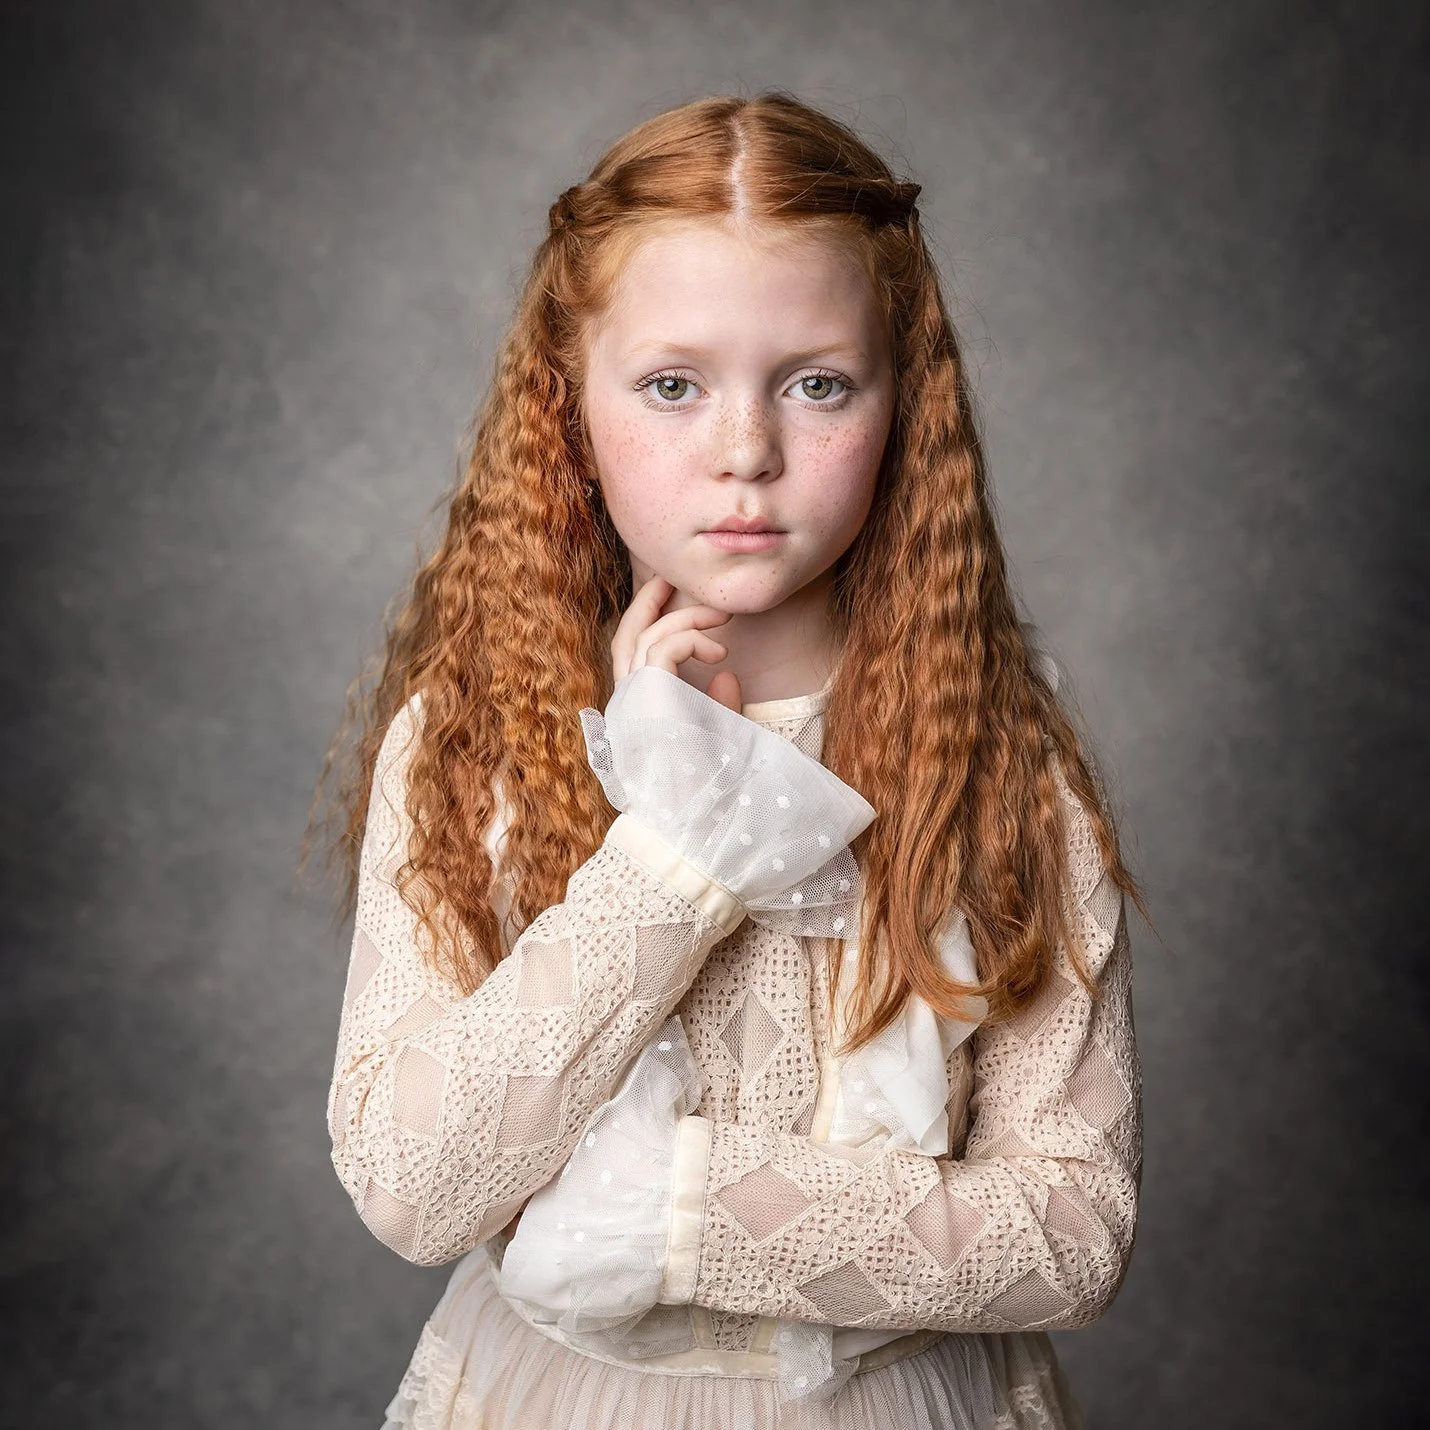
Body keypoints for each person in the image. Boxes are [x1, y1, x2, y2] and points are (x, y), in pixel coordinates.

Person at [311, 89, 1148, 1430]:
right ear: (566, 405)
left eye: (816, 383)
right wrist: (681, 849)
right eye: (671, 385)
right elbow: (415, 1184)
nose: (745, 451)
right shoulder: (473, 734)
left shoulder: (1000, 755)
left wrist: (684, 1211)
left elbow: (1073, 1228)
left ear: (901, 401)